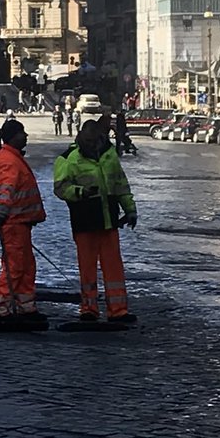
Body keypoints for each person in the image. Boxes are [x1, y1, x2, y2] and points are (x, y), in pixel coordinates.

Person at [54, 118, 137, 324]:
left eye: (95, 141)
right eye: (89, 141)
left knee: (114, 268)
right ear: (82, 137)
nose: (92, 145)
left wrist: (130, 210)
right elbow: (61, 188)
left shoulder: (110, 156)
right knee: (87, 268)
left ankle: (118, 310)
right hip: (85, 221)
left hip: (108, 221)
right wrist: (80, 192)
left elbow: (120, 185)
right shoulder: (68, 159)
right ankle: (88, 309)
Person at [0, 117, 46, 327]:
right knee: (14, 267)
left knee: (26, 266)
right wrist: (1, 215)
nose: (26, 136)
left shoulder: (11, 158)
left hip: (19, 223)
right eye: (22, 133)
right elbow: (5, 190)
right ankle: (0, 309)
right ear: (13, 137)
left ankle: (25, 306)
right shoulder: (9, 161)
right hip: (12, 223)